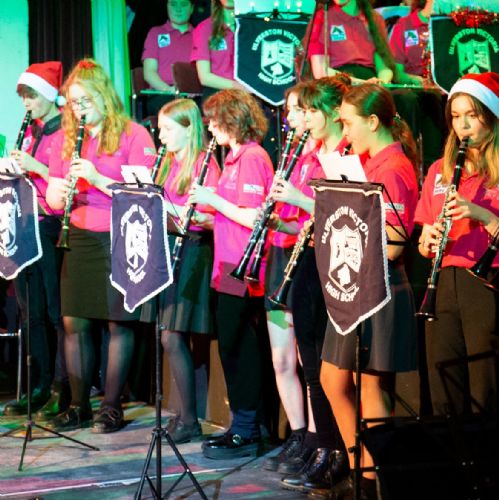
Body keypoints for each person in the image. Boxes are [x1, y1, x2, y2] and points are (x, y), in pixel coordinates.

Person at [45, 59, 157, 433]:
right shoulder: (65, 140)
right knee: (74, 321)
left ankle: (110, 407)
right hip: (78, 235)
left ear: (103, 97)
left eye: (85, 101)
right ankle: (78, 405)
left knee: (117, 322)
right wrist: (59, 193)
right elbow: (53, 198)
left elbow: (144, 194)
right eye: (73, 103)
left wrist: (96, 178)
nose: (79, 109)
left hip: (121, 234)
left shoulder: (133, 134)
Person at [320, 83, 419, 499]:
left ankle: (377, 479)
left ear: (373, 122)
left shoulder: (393, 168)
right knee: (333, 379)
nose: (344, 133)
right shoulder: (365, 163)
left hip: (380, 288)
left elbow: (394, 245)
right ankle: (362, 468)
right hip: (354, 289)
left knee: (371, 385)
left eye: (348, 123)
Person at [274, 77, 352, 495]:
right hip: (307, 257)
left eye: (307, 111)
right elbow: (309, 217)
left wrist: (300, 200)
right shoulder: (311, 155)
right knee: (309, 361)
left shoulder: (346, 154)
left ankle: (337, 450)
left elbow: (344, 213)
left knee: (326, 364)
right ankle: (320, 446)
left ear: (332, 112)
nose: (300, 118)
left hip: (336, 265)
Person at [188, 89, 273, 459]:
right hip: (227, 265)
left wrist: (213, 200)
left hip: (244, 267)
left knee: (240, 348)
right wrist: (204, 215)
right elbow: (231, 214)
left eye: (214, 120)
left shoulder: (252, 157)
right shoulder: (234, 158)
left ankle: (247, 429)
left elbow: (254, 217)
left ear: (232, 119)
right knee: (232, 347)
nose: (209, 127)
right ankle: (242, 424)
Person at [415, 72, 499, 417]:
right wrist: (428, 240)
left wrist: (482, 214)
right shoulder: (440, 170)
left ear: (491, 117)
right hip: (443, 285)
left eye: (472, 115)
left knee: (485, 385)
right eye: (455, 116)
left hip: (487, 285)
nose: (462, 125)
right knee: (444, 382)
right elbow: (423, 243)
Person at [141, 98, 220, 443]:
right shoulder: (166, 163)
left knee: (172, 335)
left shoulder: (205, 164)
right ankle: (183, 414)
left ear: (190, 129)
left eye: (168, 129)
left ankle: (190, 419)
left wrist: (190, 216)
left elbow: (213, 216)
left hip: (192, 251)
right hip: (168, 249)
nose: (161, 137)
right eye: (160, 130)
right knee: (166, 334)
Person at [4, 62, 69, 420]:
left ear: (46, 95)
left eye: (31, 96)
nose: (26, 104)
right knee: (30, 313)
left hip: (50, 226)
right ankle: (38, 385)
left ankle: (62, 386)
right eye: (24, 98)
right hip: (26, 224)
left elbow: (62, 181)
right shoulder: (33, 131)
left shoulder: (65, 131)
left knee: (53, 312)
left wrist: (34, 166)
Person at [261, 82, 314, 473]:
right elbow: (290, 218)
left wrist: (293, 203)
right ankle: (296, 434)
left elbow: (314, 217)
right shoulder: (291, 156)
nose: (291, 118)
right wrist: (275, 220)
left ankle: (315, 438)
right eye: (290, 111)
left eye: (297, 110)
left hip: (305, 260)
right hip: (279, 257)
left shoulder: (322, 158)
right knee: (281, 359)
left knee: (306, 360)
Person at [308, 0, 396, 84]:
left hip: (370, 82)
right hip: (340, 84)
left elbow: (383, 65)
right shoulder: (323, 17)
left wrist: (382, 81)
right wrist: (361, 83)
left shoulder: (375, 18)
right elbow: (321, 72)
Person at [141, 0, 195, 116]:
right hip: (162, 94)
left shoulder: (199, 34)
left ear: (192, 8)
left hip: (193, 94)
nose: (178, 9)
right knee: (177, 113)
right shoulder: (155, 33)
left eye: (183, 4)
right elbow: (149, 73)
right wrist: (168, 90)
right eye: (173, 4)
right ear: (167, 7)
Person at [191, 0, 245, 97]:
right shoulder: (205, 28)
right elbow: (204, 77)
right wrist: (240, 87)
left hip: (247, 95)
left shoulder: (252, 28)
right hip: (216, 95)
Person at [389, 0, 434, 85]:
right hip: (414, 87)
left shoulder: (449, 26)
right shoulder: (405, 24)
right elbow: (397, 72)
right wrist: (412, 79)